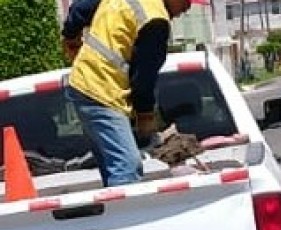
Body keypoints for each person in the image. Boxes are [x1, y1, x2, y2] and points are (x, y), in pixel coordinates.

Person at [60, 0, 197, 187]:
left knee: (113, 167)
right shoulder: (156, 21)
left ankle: (115, 210)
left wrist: (70, 35)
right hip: (101, 90)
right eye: (186, 2)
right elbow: (143, 80)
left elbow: (79, 8)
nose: (187, 9)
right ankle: (125, 215)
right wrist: (145, 116)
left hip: (83, 85)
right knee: (127, 166)